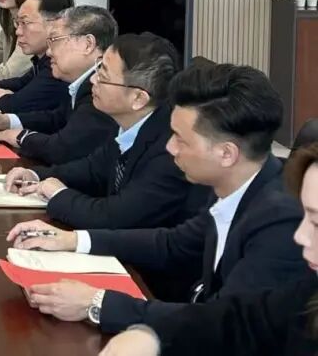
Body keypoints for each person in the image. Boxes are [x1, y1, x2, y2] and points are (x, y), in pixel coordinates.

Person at [8, 63, 305, 333]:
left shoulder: (281, 222)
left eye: (181, 139)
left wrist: (97, 303)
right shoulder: (238, 186)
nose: (170, 148)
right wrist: (72, 240)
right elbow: (173, 244)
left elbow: (224, 323)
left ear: (226, 153)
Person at [97, 142, 318, 356]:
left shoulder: (278, 217)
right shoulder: (307, 294)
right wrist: (151, 336)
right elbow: (234, 321)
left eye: (316, 223)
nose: (299, 236)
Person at [1, 33, 207, 231]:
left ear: (138, 98)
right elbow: (92, 169)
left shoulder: (170, 148)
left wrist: (59, 194)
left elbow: (114, 217)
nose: (93, 80)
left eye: (103, 76)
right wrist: (36, 174)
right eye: (98, 69)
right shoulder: (128, 123)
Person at [0, 5, 118, 164]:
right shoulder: (81, 82)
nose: (48, 51)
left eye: (54, 40)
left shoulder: (103, 88)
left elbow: (63, 148)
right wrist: (4, 120)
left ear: (87, 44)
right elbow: (56, 119)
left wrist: (22, 137)